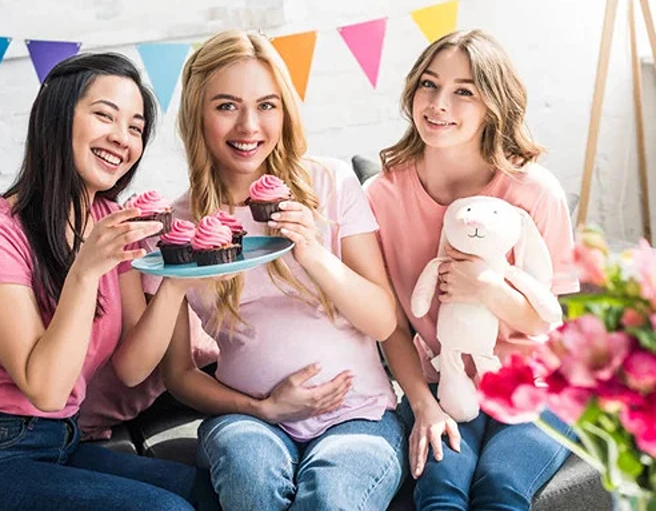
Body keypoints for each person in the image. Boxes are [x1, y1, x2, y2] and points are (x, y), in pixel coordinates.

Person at [0, 52, 215, 511]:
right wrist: (84, 270)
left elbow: (132, 367)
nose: (121, 137)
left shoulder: (106, 220)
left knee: (212, 493)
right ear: (57, 117)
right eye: (105, 115)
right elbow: (46, 388)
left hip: (61, 443)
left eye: (136, 128)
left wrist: (178, 278)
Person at [154, 29, 410, 511]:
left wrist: (312, 249)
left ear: (285, 111)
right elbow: (178, 374)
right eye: (227, 106)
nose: (249, 126)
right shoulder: (181, 223)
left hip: (357, 417)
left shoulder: (329, 182)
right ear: (196, 114)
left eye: (267, 105)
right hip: (247, 421)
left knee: (332, 499)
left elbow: (382, 320)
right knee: (251, 481)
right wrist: (260, 408)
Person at [366, 29, 580, 510]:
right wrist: (422, 403)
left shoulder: (535, 191)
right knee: (440, 490)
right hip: (445, 381)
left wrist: (485, 286)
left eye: (464, 90)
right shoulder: (381, 195)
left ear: (494, 104)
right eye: (428, 84)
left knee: (500, 486)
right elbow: (390, 326)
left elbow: (549, 319)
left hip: (536, 384)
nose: (439, 103)